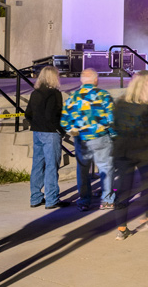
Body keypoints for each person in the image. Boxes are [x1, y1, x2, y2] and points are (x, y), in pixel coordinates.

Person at [112, 73, 148, 240]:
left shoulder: (120, 102)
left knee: (123, 188)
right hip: (145, 151)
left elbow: (115, 127)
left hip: (123, 151)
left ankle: (121, 228)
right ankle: (147, 217)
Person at [61, 68, 116, 211]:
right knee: (105, 168)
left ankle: (84, 201)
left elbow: (64, 121)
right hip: (101, 137)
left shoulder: (72, 97)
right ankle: (107, 200)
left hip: (81, 139)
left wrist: (72, 130)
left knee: (83, 170)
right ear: (96, 80)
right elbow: (112, 119)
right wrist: (114, 135)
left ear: (81, 80)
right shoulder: (104, 95)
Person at [24, 66, 65, 210]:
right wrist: (61, 130)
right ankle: (52, 199)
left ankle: (35, 197)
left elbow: (27, 113)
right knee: (51, 166)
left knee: (37, 164)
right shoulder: (55, 94)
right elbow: (53, 115)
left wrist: (35, 124)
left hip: (37, 132)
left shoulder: (35, 93)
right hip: (51, 133)